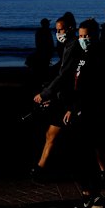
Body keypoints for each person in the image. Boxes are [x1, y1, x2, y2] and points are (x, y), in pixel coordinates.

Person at [60, 18, 105, 208]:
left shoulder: (98, 56)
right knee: (80, 154)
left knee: (82, 155)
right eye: (81, 36)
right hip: (80, 109)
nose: (83, 39)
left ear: (95, 35)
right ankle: (91, 194)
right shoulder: (83, 54)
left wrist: (75, 108)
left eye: (87, 36)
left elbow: (90, 88)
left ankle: (93, 195)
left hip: (89, 110)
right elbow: (75, 82)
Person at [30, 12, 78, 179]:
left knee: (87, 139)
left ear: (70, 28)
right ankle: (40, 168)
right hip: (65, 96)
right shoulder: (67, 46)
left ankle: (103, 172)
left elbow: (64, 74)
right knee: (52, 134)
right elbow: (62, 69)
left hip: (71, 98)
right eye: (57, 30)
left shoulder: (72, 46)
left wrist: (46, 93)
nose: (59, 34)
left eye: (61, 30)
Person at [27, 18, 55, 88]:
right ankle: (43, 82)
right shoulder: (46, 31)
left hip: (41, 50)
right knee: (45, 67)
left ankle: (40, 81)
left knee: (43, 66)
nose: (49, 24)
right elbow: (49, 42)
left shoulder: (39, 31)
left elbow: (38, 42)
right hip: (45, 51)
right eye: (48, 23)